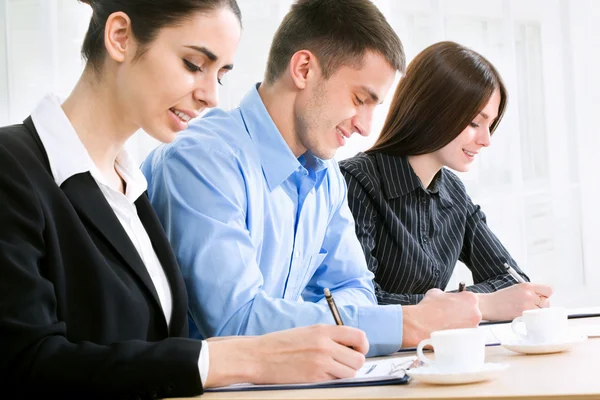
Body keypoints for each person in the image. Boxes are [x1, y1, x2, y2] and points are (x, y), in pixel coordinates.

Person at [0, 0, 373, 398]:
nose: (211, 96)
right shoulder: (13, 168)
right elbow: (27, 364)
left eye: (221, 75)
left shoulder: (131, 190)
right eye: (194, 65)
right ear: (120, 38)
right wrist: (244, 359)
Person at [142, 0, 482, 358]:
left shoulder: (327, 176)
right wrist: (403, 324)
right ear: (303, 69)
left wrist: (311, 319)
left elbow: (355, 287)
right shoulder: (201, 160)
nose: (365, 127)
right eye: (359, 99)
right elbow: (236, 323)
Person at [339, 41, 553, 321]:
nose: (486, 140)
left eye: (491, 125)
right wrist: (481, 305)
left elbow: (512, 281)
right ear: (432, 111)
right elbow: (360, 304)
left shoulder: (453, 191)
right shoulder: (355, 182)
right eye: (476, 123)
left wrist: (460, 304)